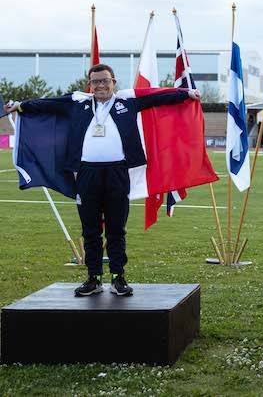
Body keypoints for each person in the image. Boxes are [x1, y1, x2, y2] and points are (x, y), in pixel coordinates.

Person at [3, 64, 200, 296]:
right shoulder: (78, 102)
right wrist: (20, 106)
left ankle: (118, 278)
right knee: (90, 229)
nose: (100, 85)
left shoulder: (127, 100)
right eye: (95, 81)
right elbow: (48, 103)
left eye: (105, 80)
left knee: (117, 228)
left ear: (113, 81)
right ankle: (93, 278)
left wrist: (186, 93)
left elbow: (158, 97)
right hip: (86, 174)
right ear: (90, 84)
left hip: (118, 173)